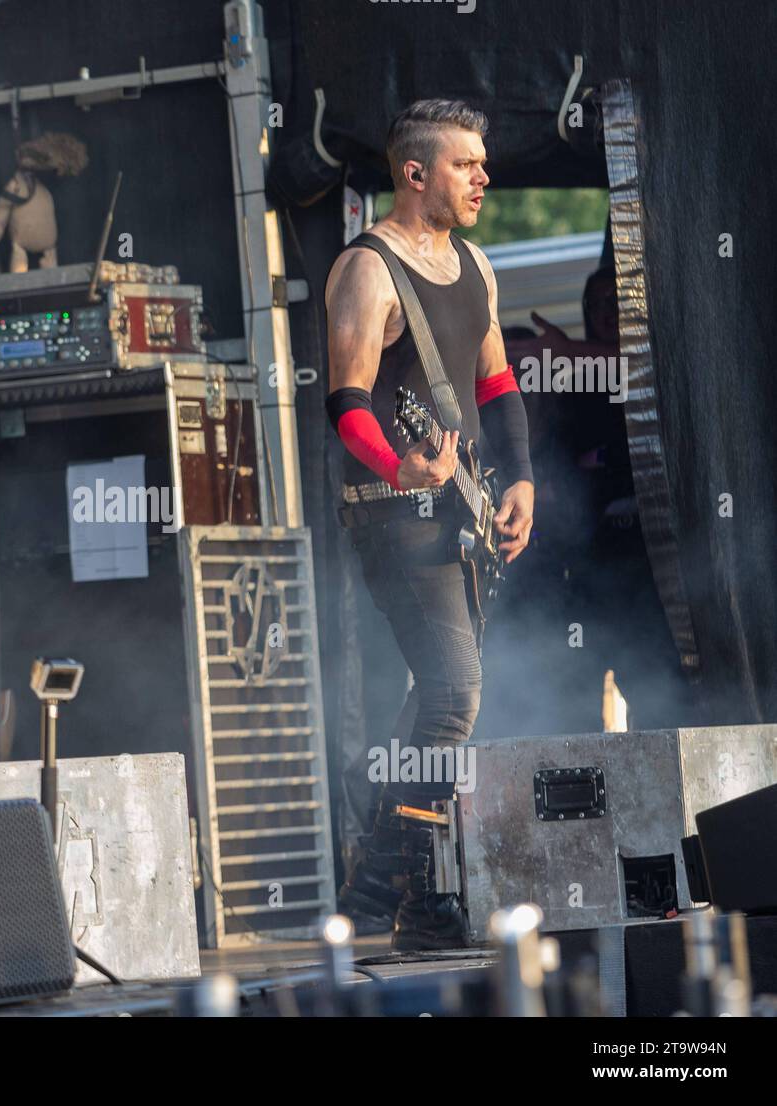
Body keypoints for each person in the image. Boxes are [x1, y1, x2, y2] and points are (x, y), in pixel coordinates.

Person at [324, 100, 535, 949]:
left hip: (464, 513)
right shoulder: (365, 270)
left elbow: (494, 380)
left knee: (439, 699)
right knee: (452, 694)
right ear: (416, 174)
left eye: (482, 162)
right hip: (393, 519)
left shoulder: (477, 264)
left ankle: (371, 885)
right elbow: (346, 400)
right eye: (466, 164)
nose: (484, 176)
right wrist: (396, 464)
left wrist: (521, 479)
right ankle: (420, 901)